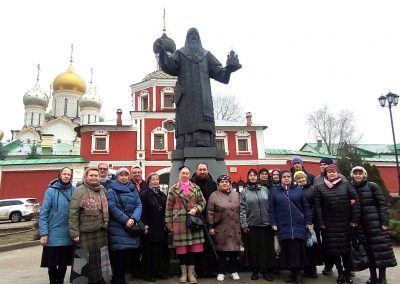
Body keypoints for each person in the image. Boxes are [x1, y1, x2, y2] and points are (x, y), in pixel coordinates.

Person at [154, 27, 241, 148]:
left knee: (203, 121)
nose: (193, 36)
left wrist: (229, 69)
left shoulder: (206, 55)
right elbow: (171, 66)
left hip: (203, 99)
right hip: (186, 98)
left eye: (195, 34)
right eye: (190, 35)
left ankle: (206, 144)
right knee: (186, 121)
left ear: (199, 38)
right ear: (187, 38)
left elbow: (219, 72)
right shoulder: (180, 53)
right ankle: (185, 145)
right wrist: (162, 51)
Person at [314, 164, 360, 284]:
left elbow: (355, 202)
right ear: (326, 173)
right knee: (334, 251)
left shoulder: (347, 184)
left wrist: (354, 220)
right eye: (329, 172)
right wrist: (321, 222)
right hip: (328, 225)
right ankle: (340, 273)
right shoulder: (319, 187)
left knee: (346, 250)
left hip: (345, 224)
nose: (331, 173)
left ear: (338, 173)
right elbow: (318, 207)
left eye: (334, 171)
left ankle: (347, 272)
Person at [350, 166, 397, 284]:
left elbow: (382, 204)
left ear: (364, 175)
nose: (358, 175)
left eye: (360, 173)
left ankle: (382, 278)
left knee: (381, 252)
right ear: (352, 175)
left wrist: (385, 223)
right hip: (361, 227)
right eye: (355, 173)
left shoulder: (372, 186)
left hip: (376, 225)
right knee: (368, 252)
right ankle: (373, 277)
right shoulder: (350, 188)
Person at [269, 170, 312, 284]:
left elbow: (305, 207)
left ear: (291, 178)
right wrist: (273, 223)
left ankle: (298, 275)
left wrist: (308, 221)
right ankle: (292, 273)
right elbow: (272, 209)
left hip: (298, 224)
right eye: (284, 177)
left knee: (298, 250)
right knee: (287, 250)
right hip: (283, 225)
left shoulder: (298, 189)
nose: (287, 178)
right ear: (281, 178)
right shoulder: (275, 191)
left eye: (289, 176)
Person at [165, 166, 206, 284]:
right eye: (183, 173)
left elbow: (202, 202)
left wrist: (196, 209)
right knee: (182, 250)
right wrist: (168, 222)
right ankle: (183, 273)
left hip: (193, 222)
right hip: (179, 223)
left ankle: (191, 273)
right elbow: (168, 207)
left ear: (189, 175)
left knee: (193, 249)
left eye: (187, 173)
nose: (185, 175)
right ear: (179, 174)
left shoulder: (196, 187)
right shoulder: (173, 189)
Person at [69, 167, 110, 284]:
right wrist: (74, 233)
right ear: (86, 177)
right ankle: (81, 281)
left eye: (96, 175)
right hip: (85, 231)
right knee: (83, 259)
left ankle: (98, 280)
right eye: (91, 175)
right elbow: (73, 213)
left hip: (101, 230)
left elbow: (106, 207)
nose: (94, 178)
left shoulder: (102, 189)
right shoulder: (79, 191)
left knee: (98, 259)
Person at [39, 167, 76, 284]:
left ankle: (60, 281)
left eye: (68, 174)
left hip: (67, 233)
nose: (66, 176)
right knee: (52, 263)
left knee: (63, 263)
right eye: (64, 174)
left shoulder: (74, 190)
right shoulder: (50, 191)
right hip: (53, 233)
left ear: (71, 176)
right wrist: (44, 233)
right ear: (60, 175)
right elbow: (44, 213)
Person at [107, 167, 142, 284]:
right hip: (117, 227)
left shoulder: (132, 189)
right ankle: (118, 279)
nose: (124, 177)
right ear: (117, 177)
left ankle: (120, 279)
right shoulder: (111, 190)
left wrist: (134, 218)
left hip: (130, 225)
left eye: (126, 175)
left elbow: (139, 205)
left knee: (127, 255)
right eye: (121, 175)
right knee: (118, 256)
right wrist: (126, 220)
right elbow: (112, 207)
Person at [240, 169, 274, 281]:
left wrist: (272, 222)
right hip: (252, 226)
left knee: (266, 249)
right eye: (251, 175)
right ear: (248, 177)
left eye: (254, 175)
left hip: (266, 225)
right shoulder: (244, 192)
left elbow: (270, 206)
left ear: (257, 177)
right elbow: (242, 209)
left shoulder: (264, 189)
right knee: (253, 249)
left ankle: (265, 271)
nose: (253, 177)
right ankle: (255, 270)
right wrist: (244, 224)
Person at [207, 175, 241, 282]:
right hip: (220, 227)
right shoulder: (214, 195)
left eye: (226, 181)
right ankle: (221, 272)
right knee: (221, 251)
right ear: (218, 184)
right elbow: (210, 212)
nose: (224, 183)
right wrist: (211, 226)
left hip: (235, 227)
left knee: (234, 252)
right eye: (222, 182)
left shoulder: (236, 194)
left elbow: (241, 209)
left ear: (230, 183)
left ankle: (233, 271)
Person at [140, 172, 169, 282]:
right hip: (150, 228)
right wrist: (145, 226)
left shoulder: (162, 195)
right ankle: (147, 273)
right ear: (149, 182)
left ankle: (159, 271)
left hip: (161, 228)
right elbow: (143, 212)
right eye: (153, 179)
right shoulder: (144, 195)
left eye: (157, 179)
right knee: (149, 252)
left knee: (160, 251)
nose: (156, 181)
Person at [191, 162, 217, 277]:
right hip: (195, 219)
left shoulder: (213, 184)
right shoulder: (191, 184)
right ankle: (198, 271)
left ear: (207, 170)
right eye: (200, 169)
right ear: (196, 170)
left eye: (204, 169)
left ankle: (210, 270)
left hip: (210, 219)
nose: (202, 172)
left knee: (209, 246)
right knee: (197, 246)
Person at [293, 170, 321, 279]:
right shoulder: (294, 190)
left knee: (312, 245)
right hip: (299, 222)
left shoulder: (313, 189)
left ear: (306, 178)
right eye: (298, 178)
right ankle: (305, 269)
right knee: (303, 246)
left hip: (311, 222)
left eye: (302, 178)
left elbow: (316, 204)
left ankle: (313, 270)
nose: (301, 180)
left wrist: (309, 216)